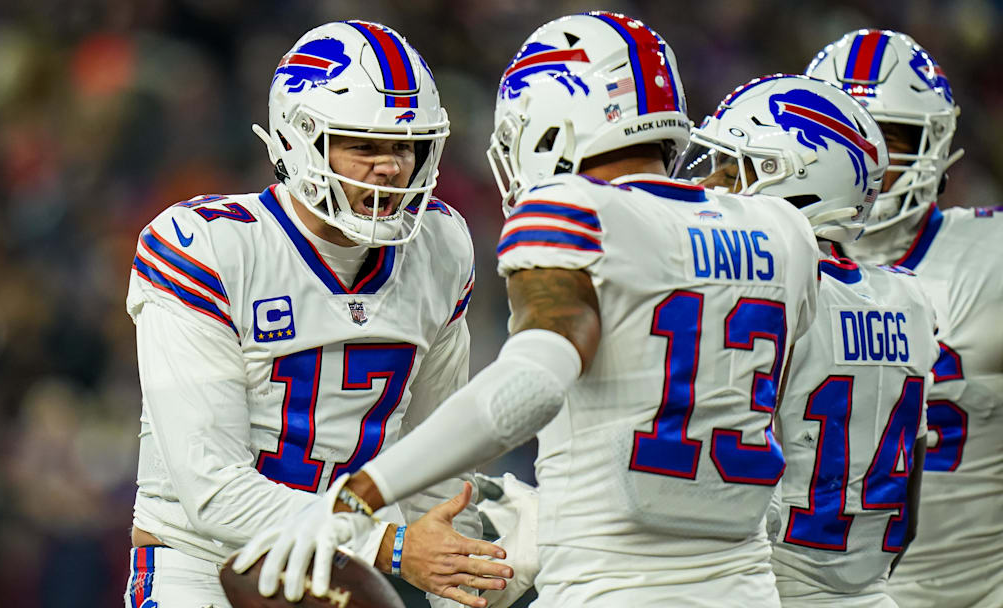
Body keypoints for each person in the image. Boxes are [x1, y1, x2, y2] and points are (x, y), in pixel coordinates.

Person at [234, 12, 821, 606]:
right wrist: (553, 518)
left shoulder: (574, 212)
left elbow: (533, 383)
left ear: (551, 127)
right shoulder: (784, 231)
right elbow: (776, 453)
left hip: (607, 592)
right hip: (748, 590)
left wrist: (357, 497)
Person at [123, 20, 510, 608]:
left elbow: (436, 459)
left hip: (346, 575)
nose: (391, 168)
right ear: (299, 142)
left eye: (404, 146)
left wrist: (463, 578)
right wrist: (390, 546)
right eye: (364, 146)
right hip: (207, 566)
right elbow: (213, 491)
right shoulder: (208, 246)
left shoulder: (441, 246)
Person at [679, 73, 937, 606]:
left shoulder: (762, 294)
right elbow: (908, 502)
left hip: (765, 585)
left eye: (733, 168)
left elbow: (701, 482)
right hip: (872, 593)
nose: (711, 185)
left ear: (796, 183)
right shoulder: (910, 300)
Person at [808, 30, 1003, 608]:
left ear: (932, 146)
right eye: (842, 136)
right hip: (809, 589)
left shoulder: (989, 258)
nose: (865, 161)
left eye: (887, 139)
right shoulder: (768, 263)